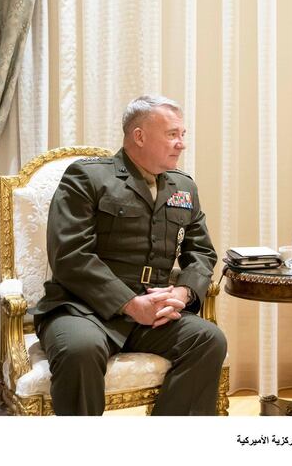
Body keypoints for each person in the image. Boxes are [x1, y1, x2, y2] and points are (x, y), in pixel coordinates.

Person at [33, 95, 227, 415]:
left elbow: (202, 252)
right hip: (82, 309)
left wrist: (183, 291)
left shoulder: (183, 187)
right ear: (139, 136)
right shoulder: (88, 177)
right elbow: (70, 255)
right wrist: (129, 303)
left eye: (183, 135)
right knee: (79, 350)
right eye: (172, 134)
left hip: (153, 313)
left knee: (208, 339)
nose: (181, 144)